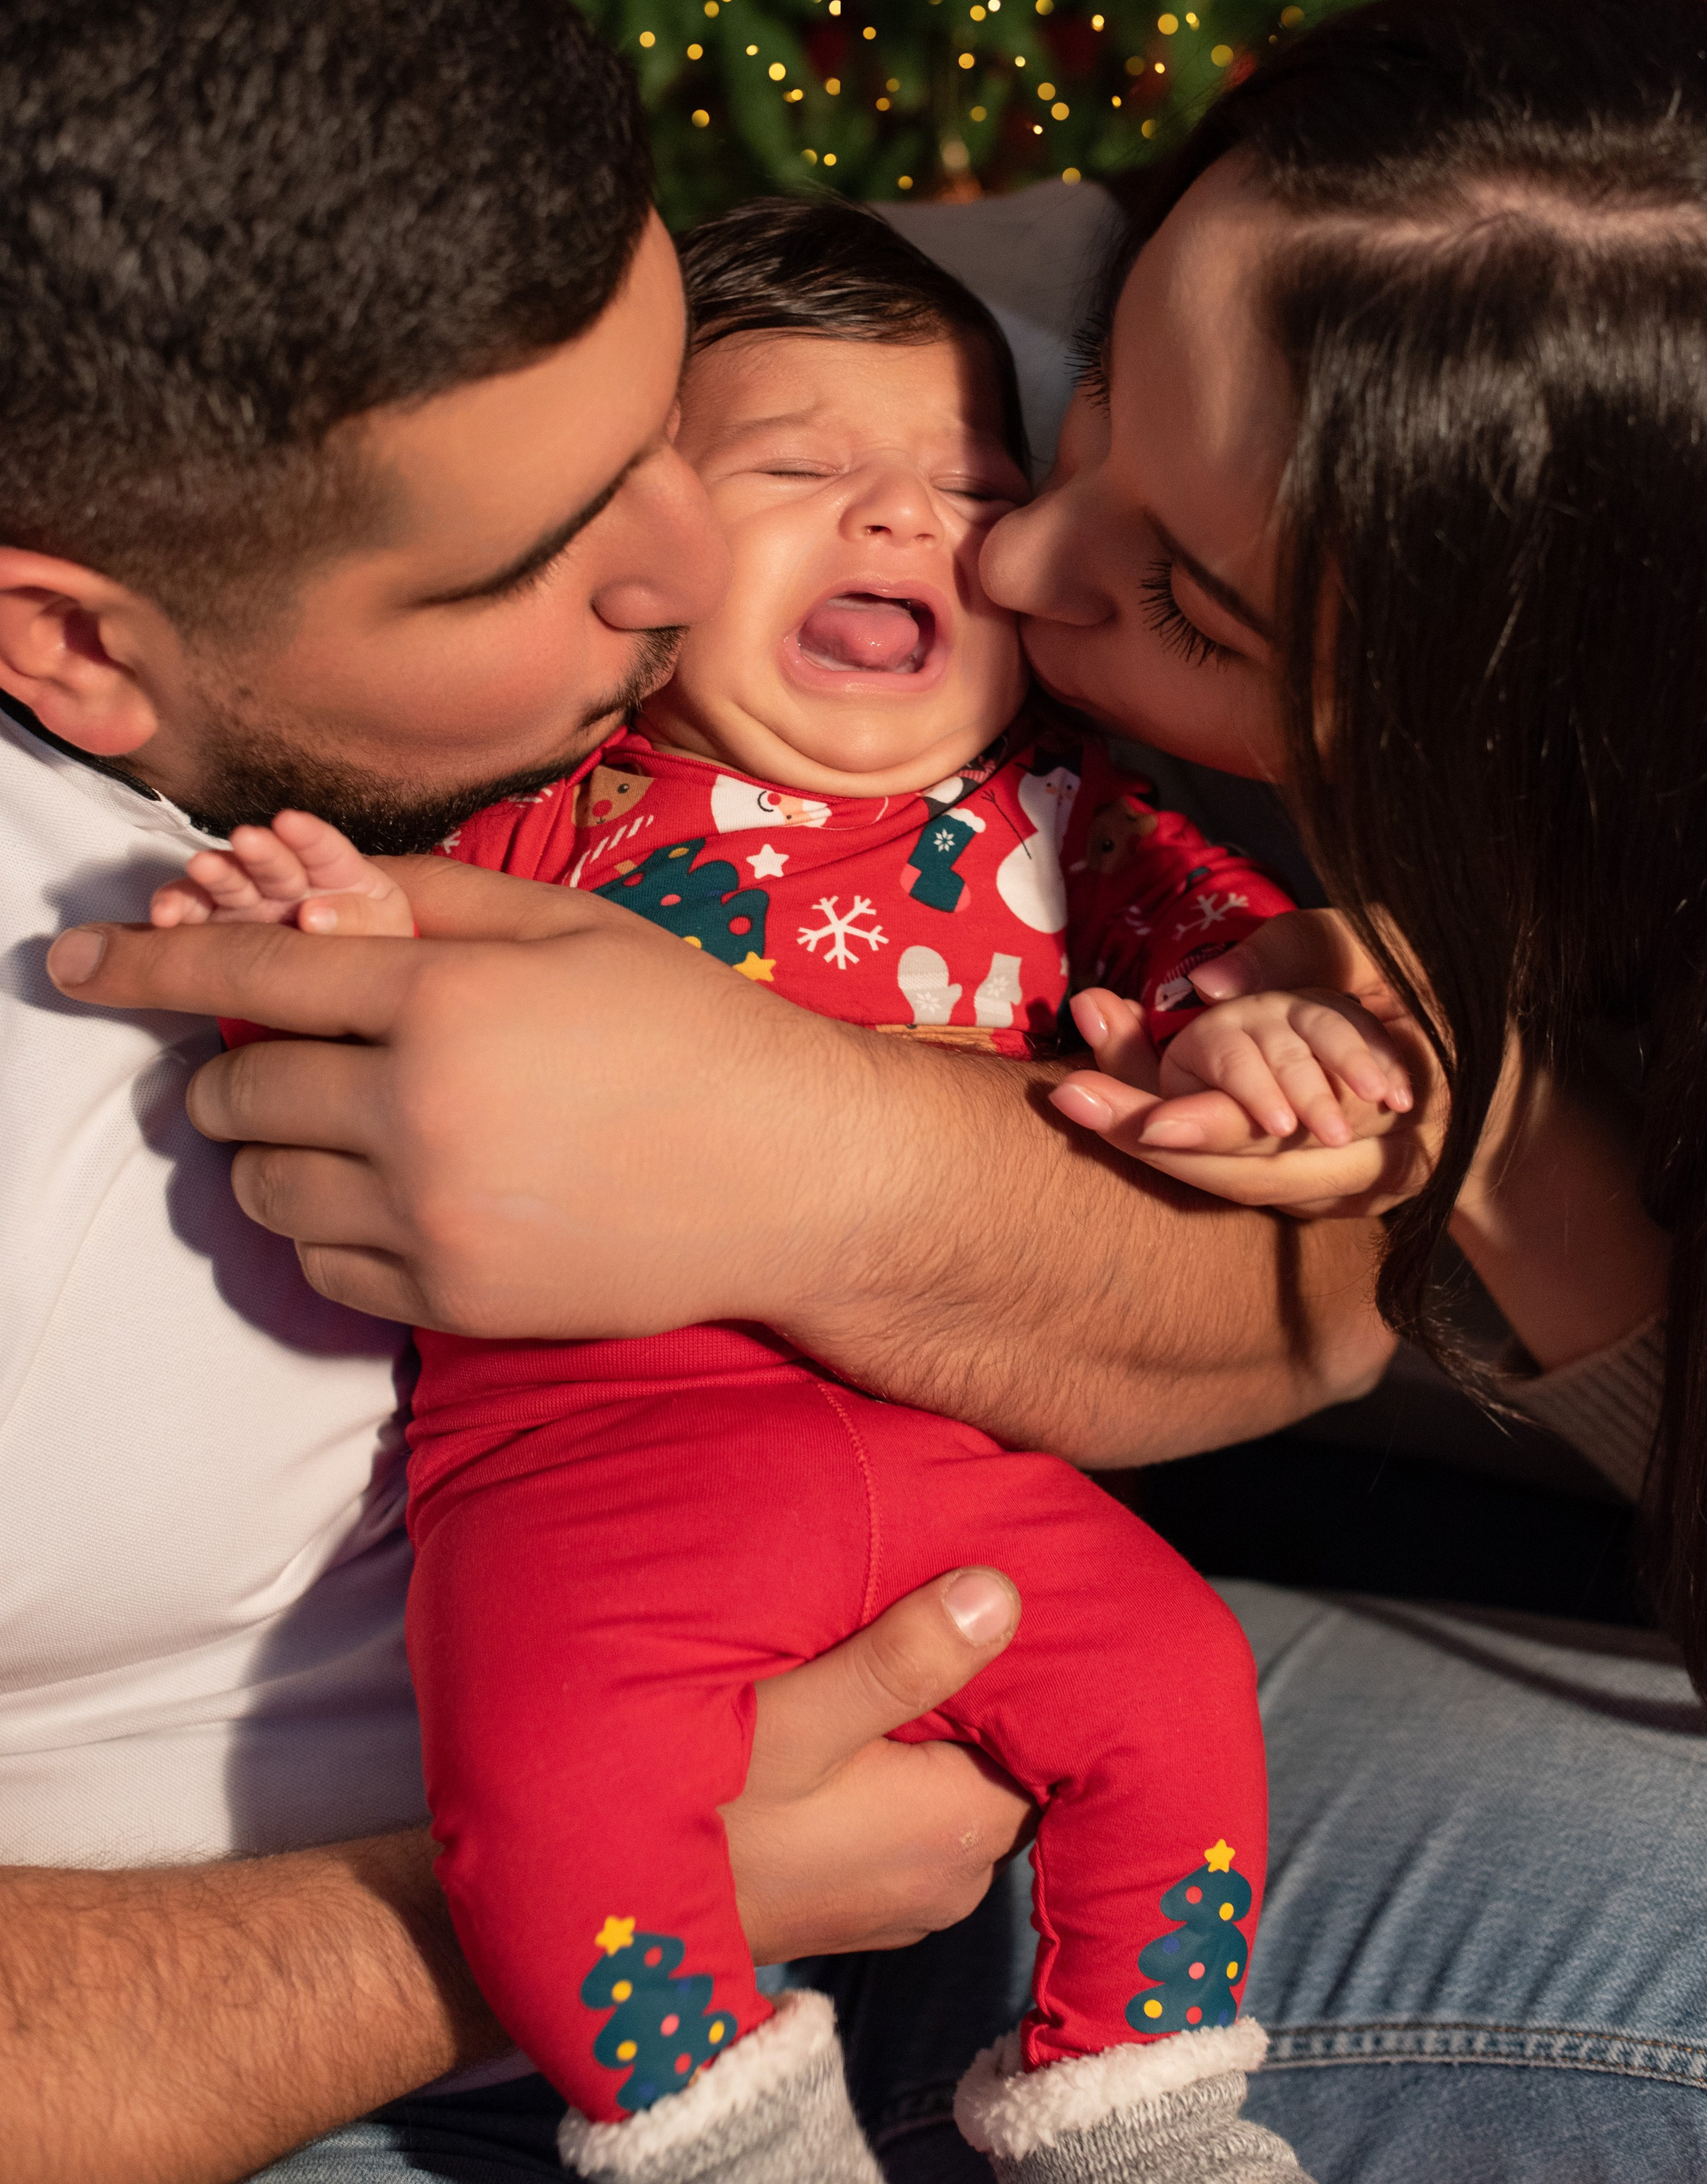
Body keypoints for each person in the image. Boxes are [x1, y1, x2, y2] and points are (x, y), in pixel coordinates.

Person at [69, 0, 1707, 2184]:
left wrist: (1493, 1150)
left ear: (1524, 741)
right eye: (1091, 403)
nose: (1004, 546)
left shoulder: (1220, 798)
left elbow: (1327, 1262)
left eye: (1191, 602)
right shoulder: (891, 374)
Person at [150, 198, 1428, 2181]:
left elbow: (1247, 975)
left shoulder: (1071, 815)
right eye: (796, 470)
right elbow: (339, 995)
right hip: (591, 1469)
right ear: (636, 550)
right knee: (553, 1787)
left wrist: (1263, 1032)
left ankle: (1145, 2104)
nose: (908, 516)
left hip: (955, 1451)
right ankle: (721, 2124)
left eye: (972, 488)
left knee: (1173, 1679)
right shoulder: (551, 794)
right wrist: (313, 912)